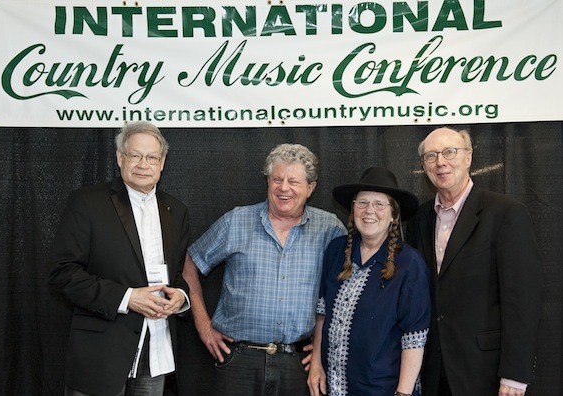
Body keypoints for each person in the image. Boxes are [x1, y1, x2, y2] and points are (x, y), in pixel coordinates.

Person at [182, 143, 347, 396]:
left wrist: (325, 345)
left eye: (294, 181)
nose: (284, 188)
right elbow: (190, 263)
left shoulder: (330, 229)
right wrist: (204, 326)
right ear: (268, 181)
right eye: (277, 179)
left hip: (298, 365)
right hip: (238, 362)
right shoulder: (236, 221)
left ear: (311, 187)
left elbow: (348, 289)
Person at [48, 121, 191, 396]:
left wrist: (180, 298)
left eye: (151, 157)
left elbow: (175, 276)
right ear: (119, 158)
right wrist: (127, 298)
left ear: (162, 163)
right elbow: (62, 273)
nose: (143, 164)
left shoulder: (177, 211)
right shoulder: (87, 203)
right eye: (135, 155)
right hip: (101, 358)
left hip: (156, 353)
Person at [406, 127, 542, 396]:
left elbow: (523, 300)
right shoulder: (419, 219)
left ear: (468, 158)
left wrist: (515, 375)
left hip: (486, 373)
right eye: (431, 156)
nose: (441, 162)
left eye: (450, 152)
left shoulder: (505, 214)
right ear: (423, 166)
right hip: (433, 372)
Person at [308, 166, 431, 396]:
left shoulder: (409, 264)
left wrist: (403, 393)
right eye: (362, 203)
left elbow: (414, 339)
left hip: (382, 388)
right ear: (353, 209)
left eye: (379, 204)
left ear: (394, 214)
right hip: (333, 387)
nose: (369, 211)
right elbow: (322, 315)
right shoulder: (336, 251)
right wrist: (316, 364)